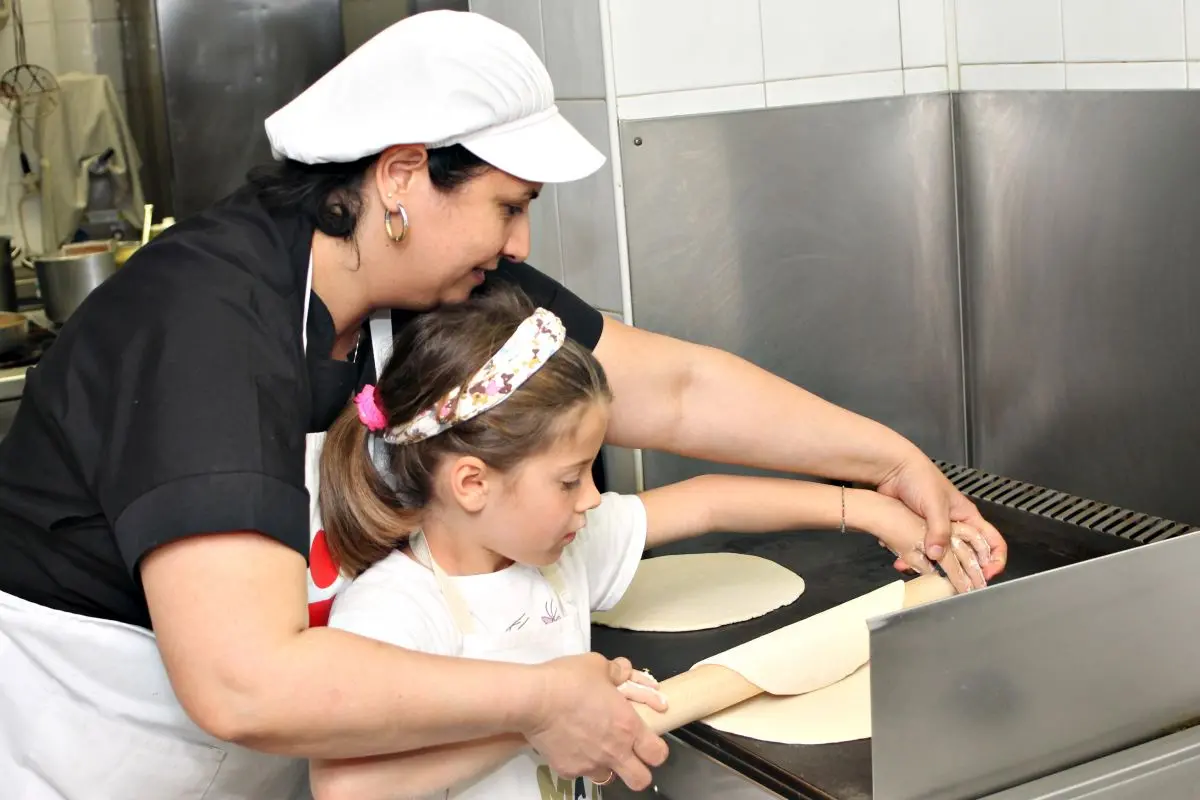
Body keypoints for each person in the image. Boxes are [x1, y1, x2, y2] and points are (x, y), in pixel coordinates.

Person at [0, 9, 1006, 800]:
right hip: (104, 762)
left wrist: (890, 461)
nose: (520, 244)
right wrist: (537, 701)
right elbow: (243, 680)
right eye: (509, 206)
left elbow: (674, 387)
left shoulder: (428, 294)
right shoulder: (205, 329)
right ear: (402, 177)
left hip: (296, 755)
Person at [308, 283, 994, 799]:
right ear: (471, 483)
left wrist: (870, 509)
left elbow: (706, 502)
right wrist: (540, 721)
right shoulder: (395, 613)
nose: (593, 499)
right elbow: (344, 787)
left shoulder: (555, 552)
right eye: (570, 478)